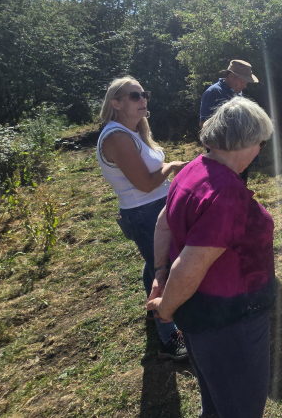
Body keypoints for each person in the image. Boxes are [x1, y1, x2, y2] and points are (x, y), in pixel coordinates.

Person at [147, 98, 275, 418]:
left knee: (216, 401)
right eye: (260, 143)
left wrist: (160, 272)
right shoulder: (226, 193)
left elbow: (164, 220)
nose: (260, 151)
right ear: (244, 142)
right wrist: (166, 308)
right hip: (231, 322)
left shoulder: (194, 167)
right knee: (241, 408)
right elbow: (189, 268)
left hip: (201, 317)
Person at [96, 77, 188, 361]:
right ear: (116, 103)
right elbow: (145, 184)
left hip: (154, 208)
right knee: (165, 269)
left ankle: (154, 311)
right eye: (134, 96)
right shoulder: (117, 137)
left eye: (144, 94)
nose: (142, 100)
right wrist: (172, 166)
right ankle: (168, 336)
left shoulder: (134, 131)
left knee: (154, 262)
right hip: (144, 212)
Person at [199, 59, 259, 183]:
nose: (245, 86)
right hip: (224, 157)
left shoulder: (238, 94)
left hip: (240, 154)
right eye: (243, 81)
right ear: (232, 76)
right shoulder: (214, 93)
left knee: (240, 189)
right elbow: (205, 125)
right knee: (225, 191)